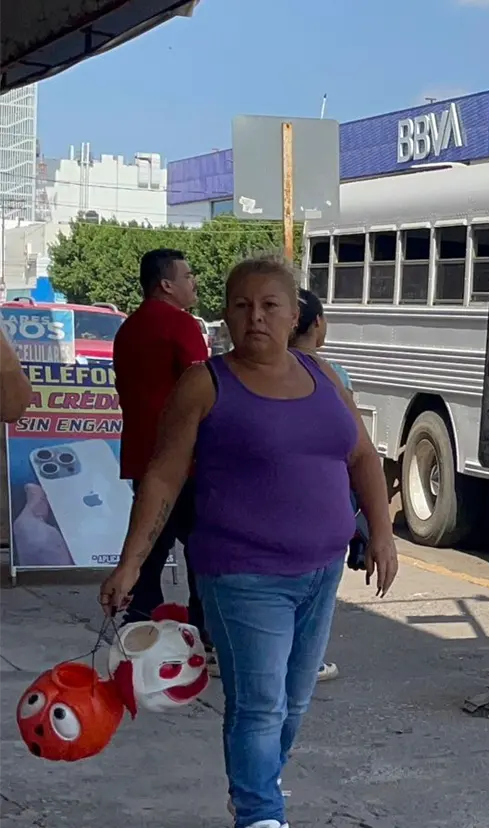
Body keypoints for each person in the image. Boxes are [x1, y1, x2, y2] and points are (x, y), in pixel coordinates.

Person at [100, 253, 397, 828]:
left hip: (321, 570)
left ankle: (255, 786)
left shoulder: (322, 376)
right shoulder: (206, 383)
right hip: (243, 574)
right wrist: (131, 564)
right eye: (241, 305)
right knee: (260, 705)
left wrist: (382, 532)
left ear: (293, 316)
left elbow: (362, 455)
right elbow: (163, 476)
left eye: (269, 305)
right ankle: (261, 813)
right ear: (227, 316)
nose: (255, 316)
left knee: (295, 700)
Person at [112, 249, 211, 649]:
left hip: (142, 456)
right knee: (201, 548)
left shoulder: (127, 329)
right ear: (166, 284)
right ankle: (206, 630)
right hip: (184, 459)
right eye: (187, 275)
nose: (193, 282)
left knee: (149, 546)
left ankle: (138, 625)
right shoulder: (181, 325)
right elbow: (201, 388)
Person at [290, 288, 351, 683]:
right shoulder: (332, 375)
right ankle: (306, 662)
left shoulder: (245, 374)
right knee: (313, 602)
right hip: (324, 514)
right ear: (317, 324)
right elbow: (356, 448)